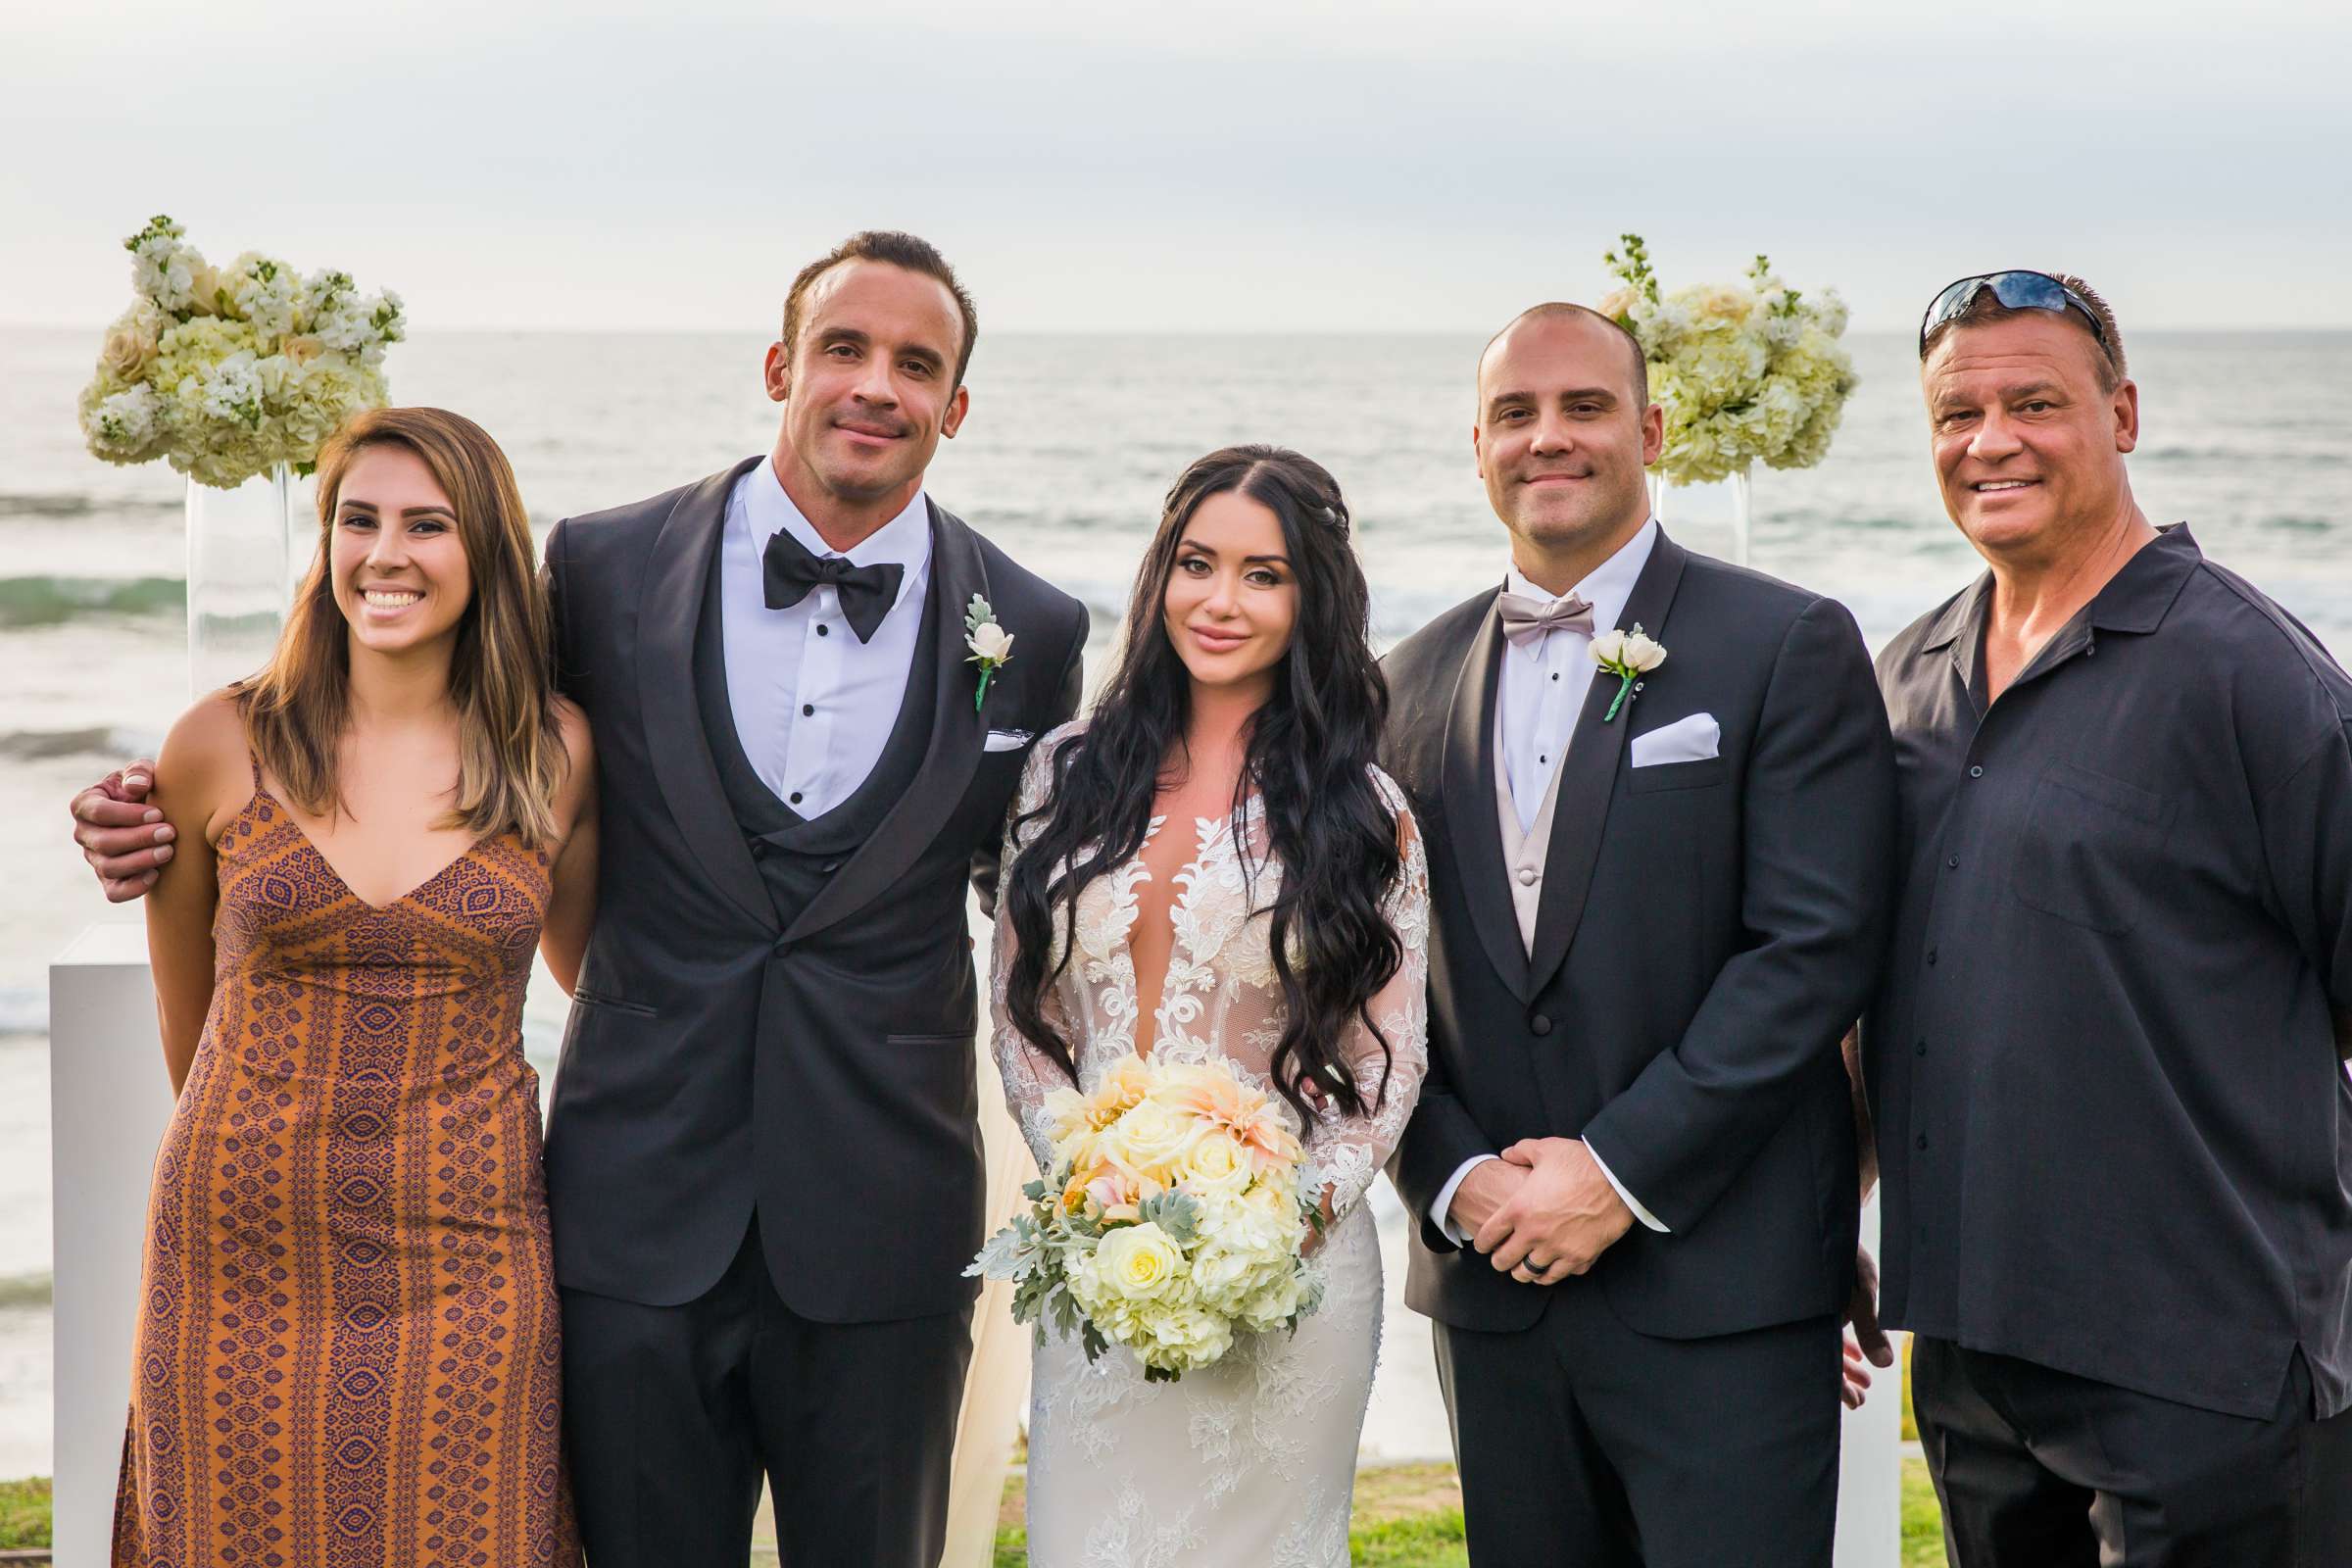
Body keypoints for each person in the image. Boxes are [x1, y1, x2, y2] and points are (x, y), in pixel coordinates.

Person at [76, 231, 1090, 1568]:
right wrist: (153, 820)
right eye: (843, 348)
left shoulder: (1035, 627)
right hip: (632, 1211)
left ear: (955, 407)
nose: (875, 386)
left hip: (882, 1217)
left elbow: (1051, 902)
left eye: (918, 364)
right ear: (781, 364)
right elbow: (434, 729)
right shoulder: (605, 570)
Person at [1380, 304, 1897, 1566]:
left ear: (1652, 430)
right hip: (1496, 1292)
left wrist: (1612, 1173)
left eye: (1584, 406)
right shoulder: (1397, 686)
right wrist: (1457, 1180)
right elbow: (1372, 988)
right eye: (1516, 413)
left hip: (1724, 1287)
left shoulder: (1786, 641)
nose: (1547, 437)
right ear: (1480, 445)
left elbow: (1813, 949)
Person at [1863, 270, 2352, 1564]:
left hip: (2210, 1365)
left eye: (2035, 402)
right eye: (1956, 415)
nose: (1990, 442)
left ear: (2122, 414)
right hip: (1970, 1359)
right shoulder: (1904, 677)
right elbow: (1869, 998)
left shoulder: (2257, 677)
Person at [110, 407, 594, 1566]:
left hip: (472, 1258)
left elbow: (591, 978)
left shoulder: (558, 753)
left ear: (484, 550)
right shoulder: (220, 741)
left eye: (427, 525)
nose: (385, 554)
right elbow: (192, 1014)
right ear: (324, 544)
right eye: (358, 520)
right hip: (237, 1253)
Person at [988, 445, 1429, 1564]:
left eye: (1263, 574)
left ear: (1311, 598)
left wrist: (1271, 1228)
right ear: (1159, 576)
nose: (1220, 601)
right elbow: (1017, 1015)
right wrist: (1100, 1195)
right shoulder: (1062, 772)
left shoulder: (1363, 812)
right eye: (1197, 563)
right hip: (1097, 1271)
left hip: (1289, 1277)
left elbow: (1386, 1067)